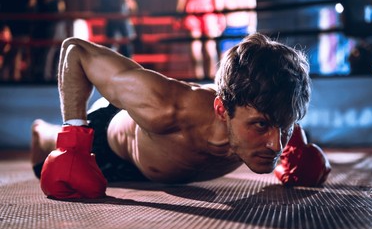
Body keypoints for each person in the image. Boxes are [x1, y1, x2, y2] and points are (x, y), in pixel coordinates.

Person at [31, 33, 330, 200]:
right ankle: (41, 132)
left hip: (156, 166)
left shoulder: (267, 106)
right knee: (52, 144)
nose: (276, 145)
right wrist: (73, 145)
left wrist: (298, 149)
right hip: (108, 145)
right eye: (261, 125)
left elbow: (278, 121)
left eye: (287, 125)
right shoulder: (167, 107)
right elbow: (75, 51)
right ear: (221, 110)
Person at [176, 0, 224, 80]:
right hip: (194, 8)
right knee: (196, 47)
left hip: (208, 9)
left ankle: (212, 77)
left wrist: (219, 16)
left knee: (209, 48)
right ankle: (200, 78)